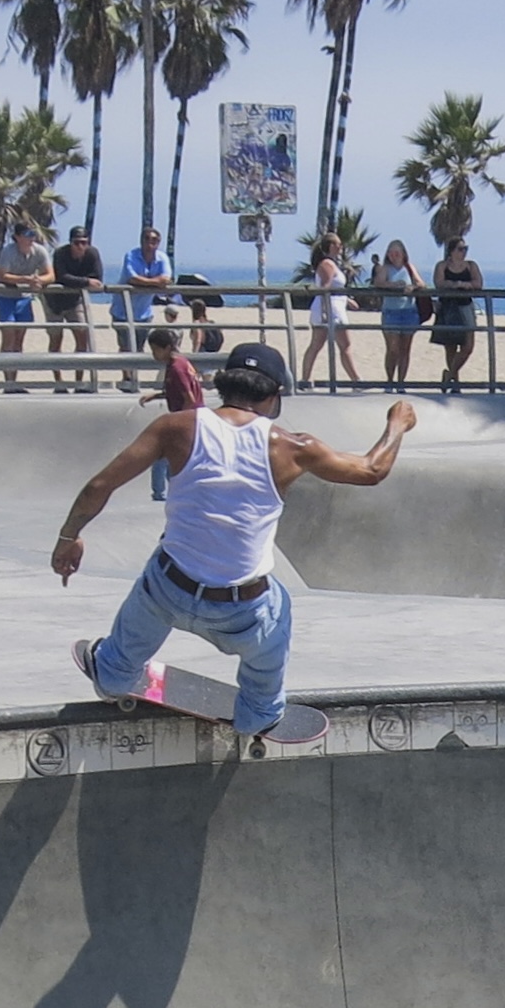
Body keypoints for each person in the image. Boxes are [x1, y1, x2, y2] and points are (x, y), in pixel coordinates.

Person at [57, 342, 417, 736]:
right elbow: (371, 470)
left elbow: (99, 486)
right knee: (278, 604)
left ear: (225, 385)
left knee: (155, 574)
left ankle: (112, 673)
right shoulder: (293, 447)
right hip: (242, 611)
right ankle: (259, 714)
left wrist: (68, 538)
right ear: (274, 395)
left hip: (169, 591)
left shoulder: (175, 427)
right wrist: (397, 423)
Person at [139, 328, 204, 500]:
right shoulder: (179, 362)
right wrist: (156, 396)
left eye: (156, 350)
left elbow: (189, 398)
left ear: (167, 348)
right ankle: (173, 489)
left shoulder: (177, 368)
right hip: (191, 417)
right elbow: (177, 391)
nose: (154, 354)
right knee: (170, 456)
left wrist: (179, 422)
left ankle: (160, 492)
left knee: (161, 453)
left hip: (188, 418)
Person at [109, 225, 174, 393]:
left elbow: (167, 278)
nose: (150, 244)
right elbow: (132, 278)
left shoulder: (162, 258)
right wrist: (155, 282)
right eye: (147, 239)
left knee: (139, 347)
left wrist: (146, 282)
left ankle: (134, 376)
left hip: (144, 311)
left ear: (158, 243)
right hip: (122, 309)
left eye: (154, 240)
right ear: (141, 241)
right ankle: (127, 378)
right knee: (125, 346)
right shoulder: (131, 256)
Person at [0, 220, 51, 393]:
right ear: (17, 237)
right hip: (5, 297)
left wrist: (39, 280)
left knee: (19, 340)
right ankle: (8, 382)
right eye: (27, 235)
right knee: (9, 336)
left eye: (33, 234)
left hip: (24, 298)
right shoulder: (8, 251)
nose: (31, 238)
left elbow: (50, 275)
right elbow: (2, 275)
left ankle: (14, 381)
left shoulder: (39, 251)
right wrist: (25, 279)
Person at [47, 224, 105, 392]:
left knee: (82, 337)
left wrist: (78, 281)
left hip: (75, 300)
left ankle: (78, 382)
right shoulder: (60, 253)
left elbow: (98, 278)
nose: (80, 246)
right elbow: (62, 276)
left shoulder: (92, 254)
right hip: (54, 301)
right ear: (70, 242)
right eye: (77, 243)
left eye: (84, 242)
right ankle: (59, 382)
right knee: (56, 339)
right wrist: (85, 281)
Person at [298, 231, 360, 388]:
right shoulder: (327, 264)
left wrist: (347, 300)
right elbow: (325, 288)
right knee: (343, 345)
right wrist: (325, 312)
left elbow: (332, 287)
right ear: (331, 246)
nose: (341, 247)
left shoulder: (331, 264)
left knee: (319, 345)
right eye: (338, 244)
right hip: (331, 309)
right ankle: (356, 380)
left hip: (334, 306)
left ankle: (306, 379)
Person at [373, 238, 426, 390]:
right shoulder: (385, 268)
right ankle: (390, 380)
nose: (394, 256)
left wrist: (413, 287)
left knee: (405, 349)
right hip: (391, 312)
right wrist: (394, 285)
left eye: (397, 253)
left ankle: (401, 382)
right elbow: (378, 283)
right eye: (391, 253)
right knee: (393, 348)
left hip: (408, 311)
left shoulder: (409, 267)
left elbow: (421, 283)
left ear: (403, 254)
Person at [430, 239, 481, 393]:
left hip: (465, 306)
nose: (463, 252)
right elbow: (439, 283)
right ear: (451, 251)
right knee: (450, 346)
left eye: (465, 248)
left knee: (468, 346)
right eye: (460, 249)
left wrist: (466, 285)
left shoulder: (471, 266)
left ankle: (449, 375)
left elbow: (478, 283)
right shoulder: (442, 266)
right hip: (448, 307)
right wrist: (456, 284)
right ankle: (455, 382)